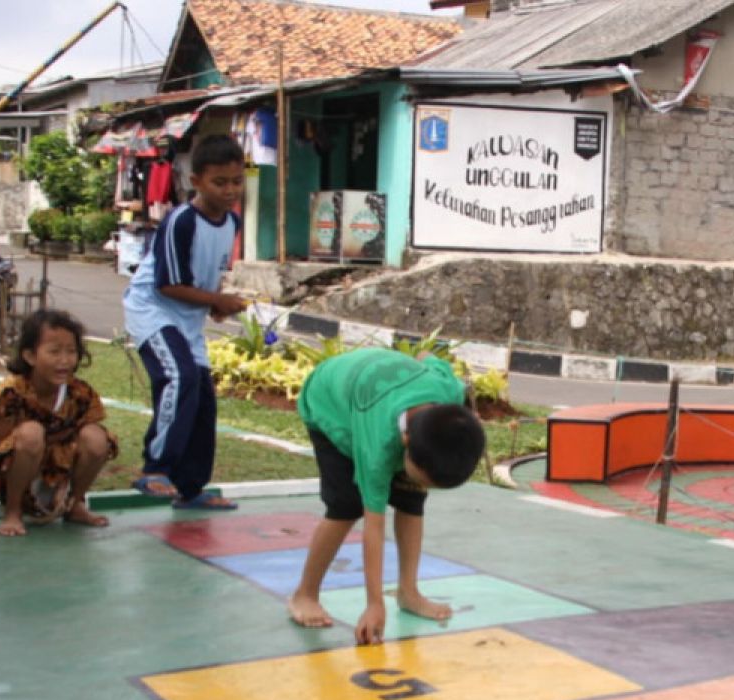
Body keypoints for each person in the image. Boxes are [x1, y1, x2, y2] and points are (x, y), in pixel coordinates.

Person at [289, 348, 486, 645]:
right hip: (330, 402)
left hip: (378, 390)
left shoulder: (448, 393)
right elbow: (374, 526)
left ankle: (409, 592)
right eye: (425, 479)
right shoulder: (377, 449)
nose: (425, 485)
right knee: (346, 506)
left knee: (411, 498)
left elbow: (427, 356)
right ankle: (304, 594)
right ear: (406, 442)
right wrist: (374, 603)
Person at [123, 134, 249, 510]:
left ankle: (190, 488)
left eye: (237, 181)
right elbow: (167, 284)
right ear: (196, 182)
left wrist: (215, 305)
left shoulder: (231, 223)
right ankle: (154, 468)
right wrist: (216, 300)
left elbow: (203, 275)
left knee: (203, 402)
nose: (230, 190)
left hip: (186, 320)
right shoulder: (181, 221)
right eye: (219, 182)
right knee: (179, 377)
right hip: (153, 310)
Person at [0, 309, 118, 537]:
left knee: (97, 437)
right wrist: (46, 444)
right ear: (29, 356)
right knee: (30, 434)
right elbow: (1, 448)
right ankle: (13, 511)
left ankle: (75, 504)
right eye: (54, 352)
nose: (64, 360)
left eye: (71, 351)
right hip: (7, 472)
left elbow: (89, 437)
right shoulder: (12, 392)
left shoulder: (81, 393)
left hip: (57, 474)